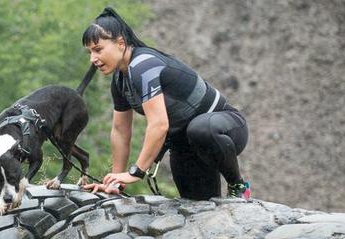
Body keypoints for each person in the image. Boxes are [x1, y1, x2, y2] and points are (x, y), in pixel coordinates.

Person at [81, 7, 251, 200]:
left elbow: (159, 124)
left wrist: (136, 172)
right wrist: (115, 182)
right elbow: (120, 131)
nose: (93, 59)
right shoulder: (120, 79)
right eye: (90, 52)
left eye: (98, 50)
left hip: (225, 128)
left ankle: (238, 186)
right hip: (185, 145)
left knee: (200, 129)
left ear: (121, 43)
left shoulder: (143, 65)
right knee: (197, 207)